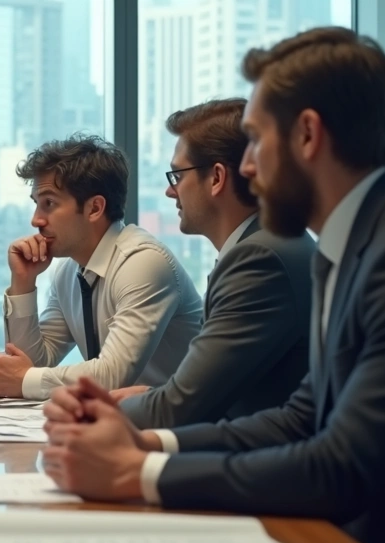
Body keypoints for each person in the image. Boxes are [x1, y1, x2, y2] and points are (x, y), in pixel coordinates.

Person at [42, 28, 385, 543]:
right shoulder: (352, 243)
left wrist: (140, 472)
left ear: (306, 134)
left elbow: (341, 467)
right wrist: (146, 441)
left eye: (254, 139)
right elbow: (303, 416)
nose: (247, 165)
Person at [113, 99, 314, 430]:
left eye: (177, 175)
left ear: (217, 177)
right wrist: (149, 395)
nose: (169, 191)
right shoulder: (267, 244)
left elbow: (182, 409)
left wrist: (103, 410)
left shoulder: (259, 259)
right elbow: (212, 391)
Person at [0, 134, 203, 400]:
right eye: (36, 204)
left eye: (49, 204)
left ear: (95, 208)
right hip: (123, 423)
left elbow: (113, 374)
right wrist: (23, 283)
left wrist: (25, 380)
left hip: (181, 428)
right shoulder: (69, 271)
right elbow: (29, 364)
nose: (36, 220)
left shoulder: (142, 262)